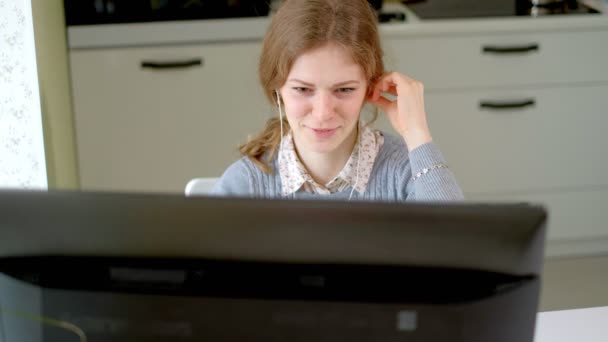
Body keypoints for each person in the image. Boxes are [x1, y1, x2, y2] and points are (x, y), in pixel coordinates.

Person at [211, 0, 463, 202]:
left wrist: (417, 133)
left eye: (343, 89)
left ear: (370, 86)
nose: (322, 113)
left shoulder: (405, 171)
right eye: (302, 89)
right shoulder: (247, 183)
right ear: (278, 88)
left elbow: (458, 251)